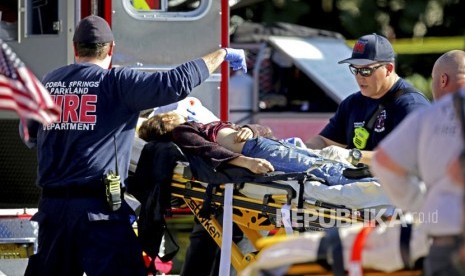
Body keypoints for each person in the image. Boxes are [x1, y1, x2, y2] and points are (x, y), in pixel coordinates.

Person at [18, 15, 247, 276]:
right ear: (111, 48)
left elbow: (29, 135)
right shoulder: (116, 83)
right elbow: (175, 83)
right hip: (99, 216)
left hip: (53, 212)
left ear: (75, 48)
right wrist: (222, 54)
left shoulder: (49, 82)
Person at [370, 50, 465, 275]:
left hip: (445, 242)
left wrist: (420, 206)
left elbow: (383, 161)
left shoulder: (428, 117)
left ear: (442, 80)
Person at [138, 111, 376, 186]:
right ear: (166, 123)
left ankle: (368, 177)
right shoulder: (183, 131)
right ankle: (370, 184)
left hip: (265, 144)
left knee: (321, 163)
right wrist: (246, 162)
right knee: (317, 168)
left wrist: (250, 129)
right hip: (258, 152)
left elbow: (265, 131)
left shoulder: (200, 126)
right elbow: (209, 151)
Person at [305, 33, 430, 165]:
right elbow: (324, 141)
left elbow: (408, 157)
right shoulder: (352, 104)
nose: (359, 77)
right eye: (355, 70)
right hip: (359, 183)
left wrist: (354, 156)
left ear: (388, 69)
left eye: (366, 71)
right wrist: (305, 150)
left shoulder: (411, 105)